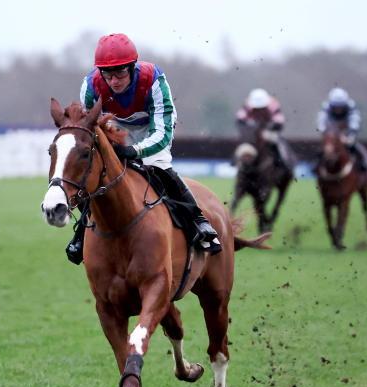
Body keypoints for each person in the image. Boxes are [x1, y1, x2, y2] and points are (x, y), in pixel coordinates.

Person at [67, 33, 220, 265]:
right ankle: (81, 232)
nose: (114, 81)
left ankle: (198, 221)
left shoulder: (154, 80)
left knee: (157, 165)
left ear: (132, 67)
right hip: (115, 127)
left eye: (120, 73)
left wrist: (135, 151)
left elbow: (162, 133)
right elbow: (91, 130)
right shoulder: (90, 87)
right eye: (107, 74)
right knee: (97, 175)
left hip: (152, 127)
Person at [235, 88, 295, 171]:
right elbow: (240, 119)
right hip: (252, 131)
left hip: (267, 130)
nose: (259, 110)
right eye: (257, 108)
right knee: (243, 144)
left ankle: (282, 162)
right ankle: (236, 162)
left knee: (277, 142)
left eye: (261, 108)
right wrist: (251, 125)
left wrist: (270, 126)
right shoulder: (247, 105)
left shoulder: (273, 105)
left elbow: (279, 121)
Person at [316, 87, 367, 171]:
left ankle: (365, 163)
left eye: (340, 106)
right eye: (336, 107)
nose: (338, 109)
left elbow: (354, 123)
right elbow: (321, 122)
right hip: (332, 134)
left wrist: (348, 136)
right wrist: (325, 131)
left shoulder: (351, 108)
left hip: (347, 133)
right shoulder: (326, 109)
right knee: (324, 150)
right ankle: (315, 165)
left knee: (354, 147)